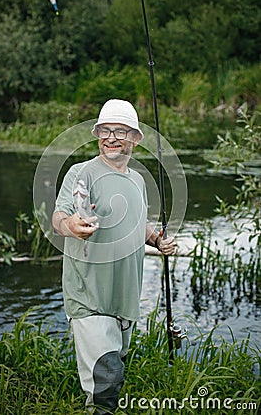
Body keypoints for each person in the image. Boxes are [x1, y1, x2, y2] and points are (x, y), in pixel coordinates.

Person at [52, 99, 176, 414]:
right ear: (96, 134)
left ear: (135, 137)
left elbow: (139, 222)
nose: (111, 138)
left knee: (114, 368)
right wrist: (71, 226)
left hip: (126, 295)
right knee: (105, 379)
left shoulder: (137, 180)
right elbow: (60, 216)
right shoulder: (81, 173)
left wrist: (157, 240)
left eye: (119, 131)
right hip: (89, 295)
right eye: (105, 130)